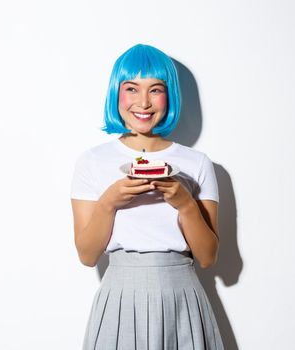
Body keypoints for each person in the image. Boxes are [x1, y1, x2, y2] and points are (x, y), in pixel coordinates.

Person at [71, 44, 224, 350]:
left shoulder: (197, 163)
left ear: (170, 96)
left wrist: (184, 204)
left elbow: (207, 257)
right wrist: (109, 202)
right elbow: (87, 256)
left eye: (155, 89)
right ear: (117, 94)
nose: (143, 102)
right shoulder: (93, 161)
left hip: (182, 295)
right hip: (119, 297)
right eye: (132, 88)